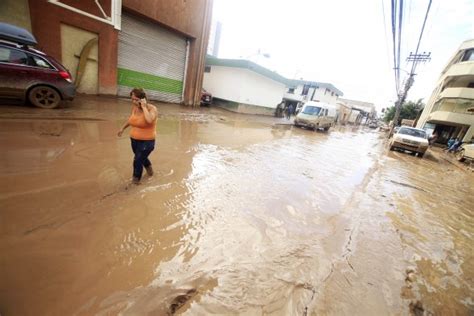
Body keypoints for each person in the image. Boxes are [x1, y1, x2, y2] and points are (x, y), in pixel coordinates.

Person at [117, 88, 158, 184]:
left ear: (143, 99)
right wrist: (122, 128)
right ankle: (150, 172)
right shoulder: (134, 109)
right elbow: (131, 120)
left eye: (136, 99)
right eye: (132, 99)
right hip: (134, 140)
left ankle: (135, 182)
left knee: (137, 160)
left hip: (147, 142)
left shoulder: (152, 109)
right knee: (140, 158)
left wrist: (144, 107)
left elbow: (149, 120)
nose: (134, 102)